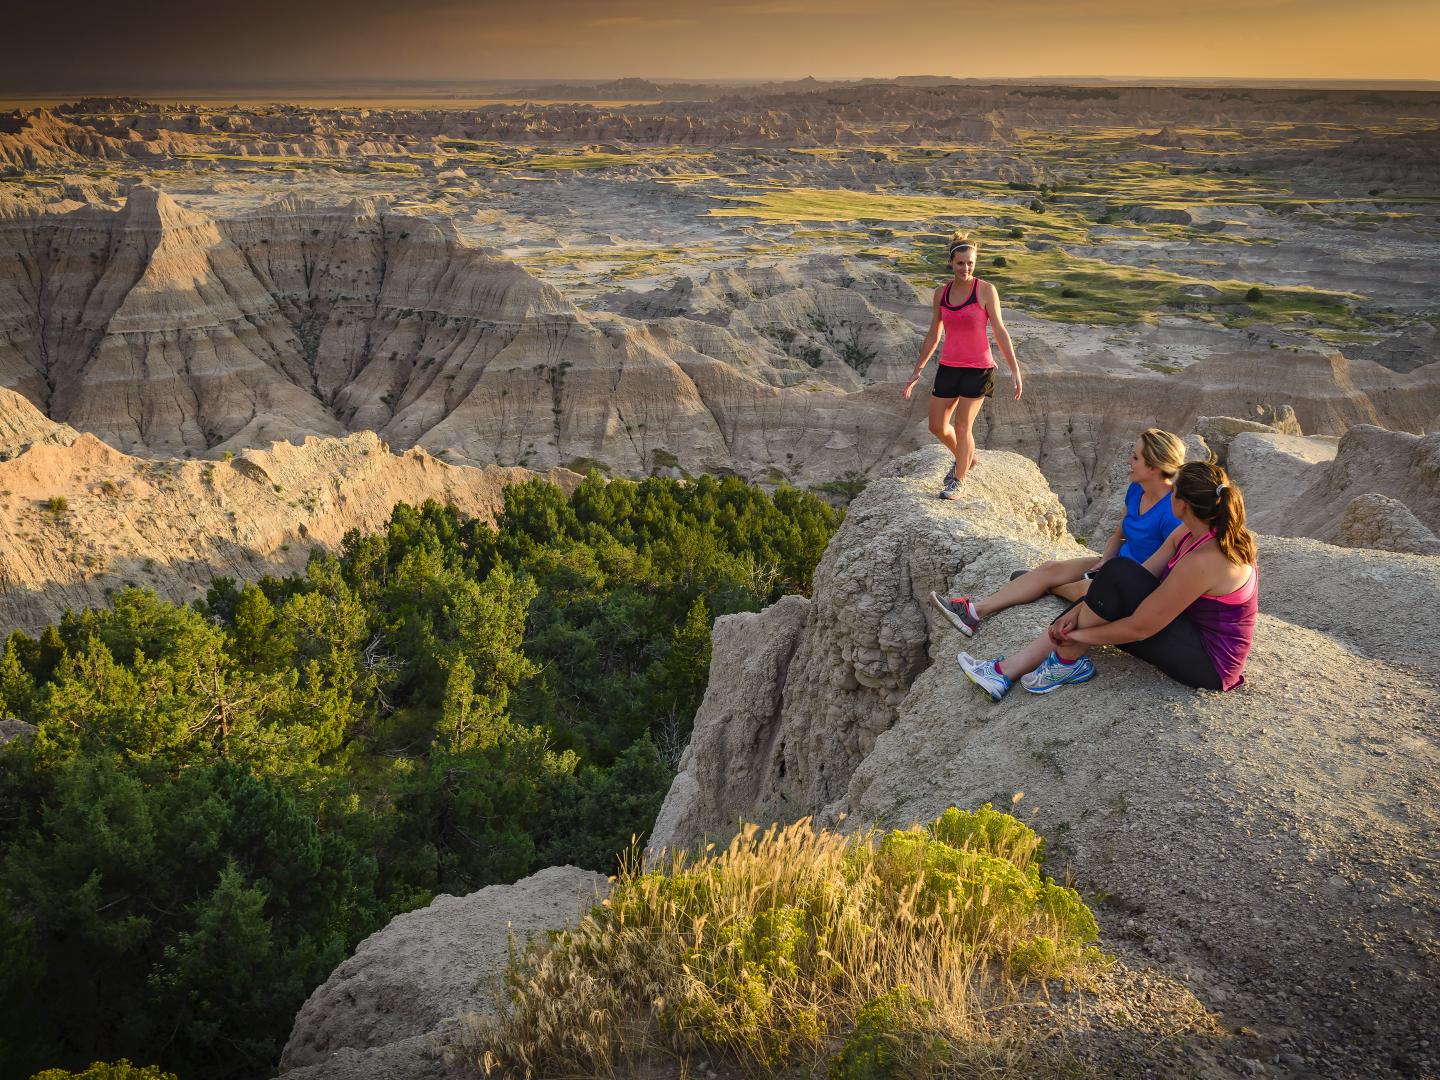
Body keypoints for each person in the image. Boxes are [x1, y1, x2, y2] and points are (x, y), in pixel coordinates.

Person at [955, 461, 1258, 700]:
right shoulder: (1190, 533)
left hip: (1208, 663)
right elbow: (1139, 577)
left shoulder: (1207, 560)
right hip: (1186, 629)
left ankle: (1051, 663)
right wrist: (1078, 610)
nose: (1170, 498)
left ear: (1184, 504)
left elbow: (1141, 627)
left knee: (1113, 580)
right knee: (1117, 571)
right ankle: (1014, 670)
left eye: (1174, 492)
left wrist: (1079, 636)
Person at [928, 428, 1187, 636]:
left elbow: (1171, 573)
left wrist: (1114, 580)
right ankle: (974, 612)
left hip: (1134, 585)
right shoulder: (1137, 490)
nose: (1129, 461)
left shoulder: (1172, 513)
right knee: (1049, 568)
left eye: (1135, 457)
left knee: (1084, 589)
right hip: (1117, 564)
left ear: (1153, 467)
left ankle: (1047, 587)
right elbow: (1120, 535)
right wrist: (1106, 560)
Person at [903, 232, 1022, 500]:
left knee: (962, 425)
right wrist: (917, 369)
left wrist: (1015, 369)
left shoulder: (986, 290)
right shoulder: (941, 294)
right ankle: (966, 457)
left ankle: (958, 480)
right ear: (951, 262)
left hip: (979, 368)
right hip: (949, 366)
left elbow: (1000, 330)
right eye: (960, 263)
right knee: (936, 426)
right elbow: (933, 334)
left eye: (970, 263)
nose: (966, 268)